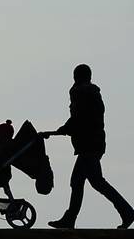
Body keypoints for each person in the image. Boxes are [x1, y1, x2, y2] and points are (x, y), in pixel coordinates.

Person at [42, 64, 134, 229]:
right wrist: (67, 128)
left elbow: (79, 116)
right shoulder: (93, 93)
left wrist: (66, 128)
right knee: (80, 181)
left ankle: (127, 212)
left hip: (88, 145)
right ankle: (70, 218)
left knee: (94, 182)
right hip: (95, 143)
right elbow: (85, 117)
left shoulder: (80, 92)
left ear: (76, 76)